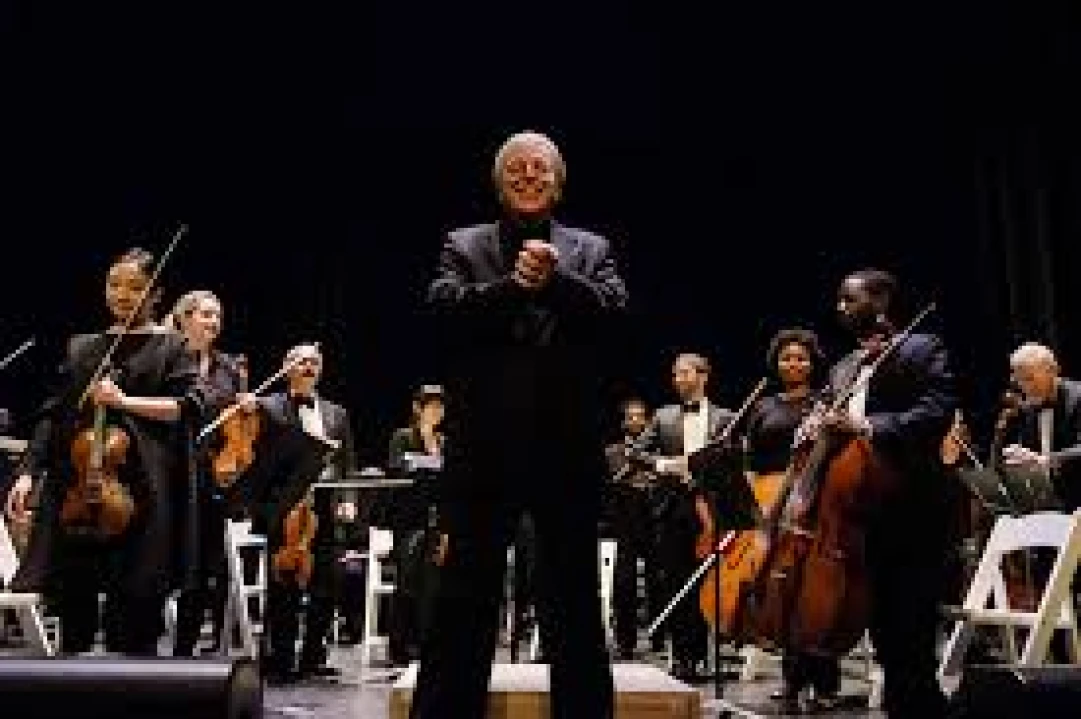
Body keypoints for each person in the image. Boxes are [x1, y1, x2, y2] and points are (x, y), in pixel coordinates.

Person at [409, 130, 626, 719]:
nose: (529, 176)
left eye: (540, 168)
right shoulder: (463, 244)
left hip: (568, 455)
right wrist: (513, 287)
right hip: (482, 455)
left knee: (574, 607)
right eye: (516, 169)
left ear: (559, 183)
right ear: (498, 184)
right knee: (461, 604)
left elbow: (614, 319)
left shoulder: (592, 249)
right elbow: (442, 315)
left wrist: (556, 283)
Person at [4, 247, 199, 656]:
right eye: (114, 285)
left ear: (155, 294)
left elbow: (185, 409)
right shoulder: (83, 347)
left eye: (135, 287)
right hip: (79, 492)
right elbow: (53, 416)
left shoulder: (173, 347)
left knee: (135, 616)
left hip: (144, 492)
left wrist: (124, 402)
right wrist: (27, 471)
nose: (122, 295)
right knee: (73, 607)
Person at [808, 268, 957, 716]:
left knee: (912, 617)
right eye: (839, 300)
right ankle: (900, 704)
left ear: (881, 302)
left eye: (849, 299)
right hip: (857, 511)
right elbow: (826, 413)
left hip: (910, 504)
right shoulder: (843, 366)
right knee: (882, 624)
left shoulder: (921, 347)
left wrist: (867, 426)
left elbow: (937, 409)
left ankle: (922, 706)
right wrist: (814, 425)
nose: (840, 307)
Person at [236, 342, 357, 683]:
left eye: (314, 362)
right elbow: (254, 452)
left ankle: (313, 657)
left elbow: (347, 463)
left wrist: (348, 498)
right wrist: (247, 409)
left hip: (325, 508)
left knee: (327, 586)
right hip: (285, 507)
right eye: (301, 361)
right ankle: (281, 658)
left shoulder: (337, 413)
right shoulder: (268, 406)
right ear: (286, 367)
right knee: (284, 586)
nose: (308, 367)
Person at [744, 328, 841, 711]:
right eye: (786, 358)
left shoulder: (825, 403)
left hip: (814, 502)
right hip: (773, 504)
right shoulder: (763, 406)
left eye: (801, 358)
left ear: (813, 363)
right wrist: (757, 505)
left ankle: (825, 682)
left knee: (816, 593)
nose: (793, 364)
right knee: (784, 589)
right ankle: (791, 679)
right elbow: (751, 461)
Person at [630, 352, 735, 682]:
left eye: (685, 373)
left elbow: (736, 458)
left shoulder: (725, 417)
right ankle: (682, 657)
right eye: (675, 374)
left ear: (703, 376)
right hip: (672, 509)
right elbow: (636, 454)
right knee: (675, 581)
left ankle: (702, 655)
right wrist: (667, 465)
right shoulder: (663, 416)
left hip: (710, 510)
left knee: (706, 583)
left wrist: (711, 469)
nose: (678, 379)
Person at [167, 290, 248, 657]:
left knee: (202, 565)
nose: (214, 322)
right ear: (184, 318)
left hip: (210, 475)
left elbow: (238, 424)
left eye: (217, 316)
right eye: (206, 314)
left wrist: (247, 406)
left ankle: (186, 650)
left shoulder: (229, 367)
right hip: (168, 469)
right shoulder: (166, 359)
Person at [386, 383, 447, 666]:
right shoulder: (403, 437)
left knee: (432, 585)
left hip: (436, 520)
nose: (436, 411)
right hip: (409, 520)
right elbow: (397, 468)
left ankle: (426, 644)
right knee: (408, 582)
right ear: (417, 408)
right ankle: (399, 647)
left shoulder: (444, 441)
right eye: (431, 405)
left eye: (440, 406)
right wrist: (425, 461)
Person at [604, 397, 664, 660]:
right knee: (624, 581)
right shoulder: (613, 452)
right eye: (631, 416)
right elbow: (612, 485)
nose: (636, 420)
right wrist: (633, 466)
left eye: (641, 416)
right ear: (623, 422)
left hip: (653, 521)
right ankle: (625, 640)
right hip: (625, 525)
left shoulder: (658, 453)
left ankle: (658, 637)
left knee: (657, 580)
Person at [1000, 342, 1081, 512]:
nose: (1026, 387)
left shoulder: (1078, 397)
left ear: (1053, 370)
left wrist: (1046, 460)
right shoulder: (1029, 406)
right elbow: (1031, 454)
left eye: (1030, 379)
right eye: (1020, 380)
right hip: (1047, 504)